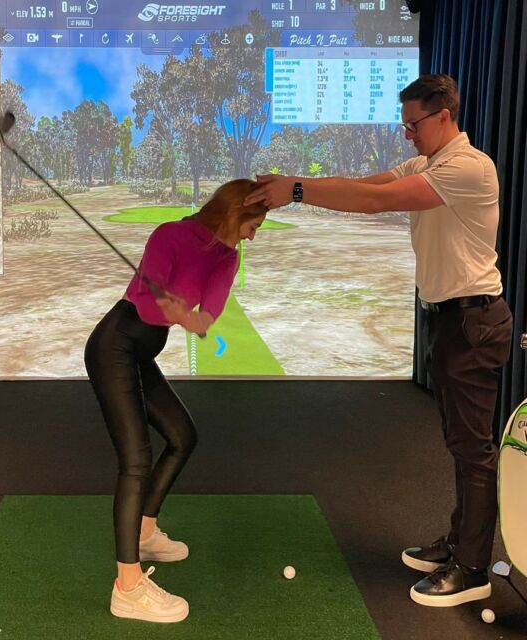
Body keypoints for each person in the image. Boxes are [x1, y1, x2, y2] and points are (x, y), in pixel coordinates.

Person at [244, 74, 513, 607]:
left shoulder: (468, 167)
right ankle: (460, 541)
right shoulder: (426, 164)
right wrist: (298, 186)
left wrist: (296, 189)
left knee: (473, 449)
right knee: (460, 442)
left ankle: (473, 568)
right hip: (450, 320)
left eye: (414, 124)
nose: (407, 134)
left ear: (444, 116)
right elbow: (361, 186)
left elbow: (377, 202)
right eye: (404, 124)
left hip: (473, 321)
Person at [84, 179, 267, 623]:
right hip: (114, 346)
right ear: (236, 213)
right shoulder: (170, 235)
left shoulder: (227, 257)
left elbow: (208, 312)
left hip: (139, 354)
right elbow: (146, 309)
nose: (253, 235)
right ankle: (127, 588)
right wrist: (173, 310)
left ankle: (145, 534)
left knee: (183, 436)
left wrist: (193, 317)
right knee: (136, 461)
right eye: (253, 225)